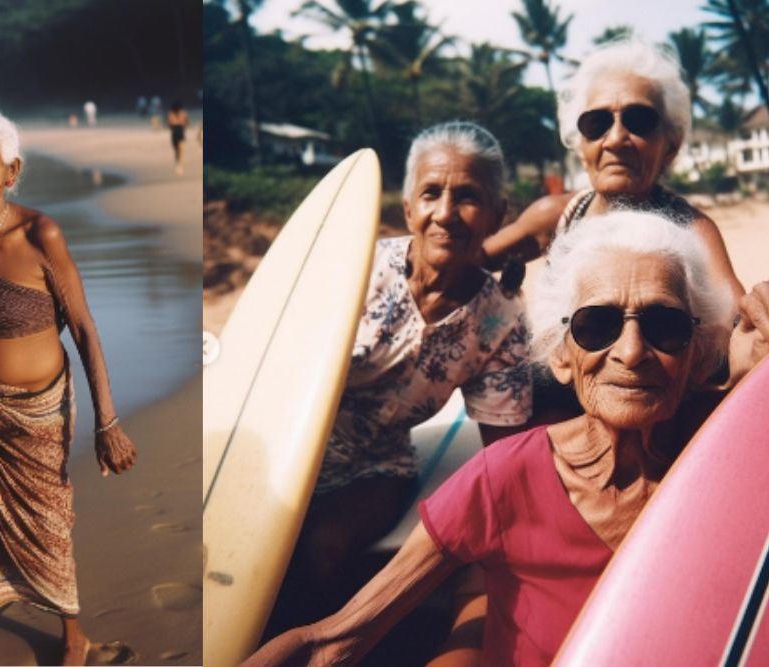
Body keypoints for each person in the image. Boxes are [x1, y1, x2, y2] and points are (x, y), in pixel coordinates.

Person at [248, 210, 761, 666]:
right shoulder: (506, 476)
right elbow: (333, 641)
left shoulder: (725, 468)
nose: (630, 351)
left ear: (696, 352)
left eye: (665, 326)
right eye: (597, 325)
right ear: (561, 356)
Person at [272, 122, 532, 631]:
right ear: (408, 208)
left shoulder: (501, 320)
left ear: (497, 215)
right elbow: (277, 362)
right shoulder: (355, 269)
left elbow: (503, 450)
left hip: (376, 467)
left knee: (322, 551)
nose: (445, 214)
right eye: (431, 193)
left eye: (468, 197)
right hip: (290, 447)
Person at [0, 105, 137, 666]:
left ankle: (74, 636)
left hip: (40, 411)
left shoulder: (40, 232)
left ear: (11, 172)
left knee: (48, 521)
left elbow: (84, 328)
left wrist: (108, 422)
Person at [482, 38, 742, 301]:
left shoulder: (691, 230)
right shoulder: (557, 218)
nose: (616, 139)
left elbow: (737, 318)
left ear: (670, 147)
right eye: (597, 124)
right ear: (581, 148)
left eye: (639, 121)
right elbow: (468, 260)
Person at [167, 101, 189, 175]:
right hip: (178, 131)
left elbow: (169, 124)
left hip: (176, 131)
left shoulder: (173, 114)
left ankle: (179, 165)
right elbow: (186, 123)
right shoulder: (178, 114)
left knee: (179, 149)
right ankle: (178, 164)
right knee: (178, 150)